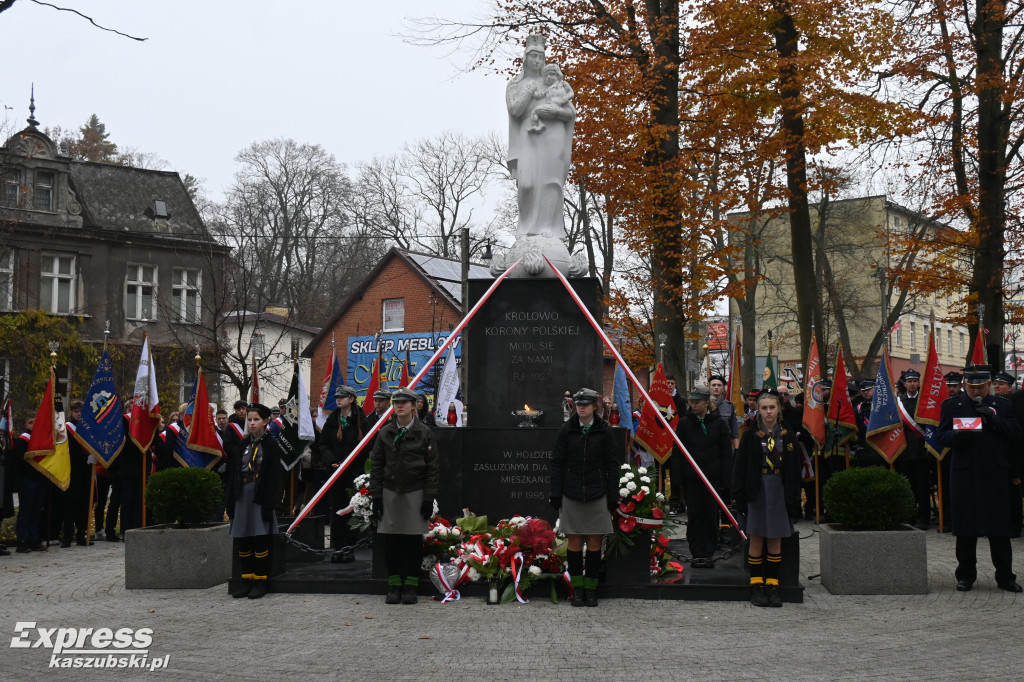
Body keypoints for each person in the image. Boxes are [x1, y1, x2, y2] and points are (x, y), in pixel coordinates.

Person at [937, 365, 1022, 592]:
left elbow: (1016, 433)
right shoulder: (952, 405)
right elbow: (941, 435)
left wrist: (994, 420)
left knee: (999, 528)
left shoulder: (1002, 406)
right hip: (966, 473)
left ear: (988, 385)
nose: (977, 392)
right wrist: (956, 434)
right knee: (966, 528)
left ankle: (1005, 577)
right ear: (965, 385)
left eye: (981, 387)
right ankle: (965, 575)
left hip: (994, 473)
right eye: (972, 387)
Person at [369, 387, 439, 605]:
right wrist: (376, 496)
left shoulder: (425, 433)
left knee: (412, 542)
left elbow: (432, 468)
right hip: (390, 491)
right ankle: (394, 585)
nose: (399, 406)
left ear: (414, 405)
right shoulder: (385, 433)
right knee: (391, 541)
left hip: (415, 491)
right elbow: (377, 465)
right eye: (396, 402)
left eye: (404, 402)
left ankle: (410, 585)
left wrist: (428, 498)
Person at [549, 387, 619, 607]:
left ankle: (591, 589)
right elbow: (557, 463)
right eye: (579, 404)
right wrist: (555, 493)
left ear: (595, 406)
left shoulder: (604, 431)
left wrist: (612, 496)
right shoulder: (566, 430)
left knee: (595, 544)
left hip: (597, 493)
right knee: (575, 543)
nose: (582, 407)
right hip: (572, 493)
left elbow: (612, 465)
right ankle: (577, 589)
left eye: (586, 404)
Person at [732, 388, 800, 607]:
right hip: (757, 489)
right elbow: (740, 467)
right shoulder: (751, 435)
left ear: (779, 408)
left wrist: (795, 499)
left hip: (778, 489)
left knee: (775, 538)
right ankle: (756, 585)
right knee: (757, 537)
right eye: (764, 408)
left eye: (772, 407)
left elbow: (795, 468)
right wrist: (739, 497)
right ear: (758, 410)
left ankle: (772, 585)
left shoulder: (787, 435)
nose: (768, 412)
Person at [506, 34, 575, 240]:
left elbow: (570, 112)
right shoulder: (515, 84)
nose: (537, 61)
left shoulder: (551, 81)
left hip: (553, 134)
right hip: (528, 134)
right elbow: (515, 111)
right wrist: (528, 90)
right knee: (527, 184)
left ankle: (548, 229)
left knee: (551, 181)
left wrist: (555, 113)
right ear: (525, 58)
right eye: (533, 56)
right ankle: (526, 230)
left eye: (540, 57)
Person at [226, 403, 284, 600]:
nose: (252, 423)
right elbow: (234, 473)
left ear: (265, 421)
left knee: (260, 540)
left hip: (260, 496)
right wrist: (231, 500)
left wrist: (271, 504)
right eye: (249, 420)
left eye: (256, 420)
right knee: (243, 540)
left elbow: (274, 478)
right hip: (243, 494)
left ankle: (261, 581)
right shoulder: (242, 445)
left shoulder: (271, 446)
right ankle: (246, 580)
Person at [676, 385, 732, 567]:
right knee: (694, 515)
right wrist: (678, 481)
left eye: (697, 402)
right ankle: (695, 551)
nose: (693, 405)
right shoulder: (684, 424)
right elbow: (678, 453)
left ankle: (708, 552)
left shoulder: (719, 423)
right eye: (691, 402)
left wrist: (725, 480)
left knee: (710, 514)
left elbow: (725, 452)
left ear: (707, 402)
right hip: (691, 478)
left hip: (712, 477)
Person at [316, 385, 368, 564]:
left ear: (351, 399)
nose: (338, 399)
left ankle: (350, 548)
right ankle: (337, 548)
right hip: (335, 472)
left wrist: (349, 462)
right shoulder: (332, 419)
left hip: (354, 473)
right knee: (337, 510)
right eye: (337, 397)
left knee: (352, 510)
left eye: (343, 397)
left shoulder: (362, 420)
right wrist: (332, 461)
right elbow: (323, 444)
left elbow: (366, 447)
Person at [897, 369, 932, 529]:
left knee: (922, 486)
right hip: (904, 452)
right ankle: (909, 516)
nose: (912, 384)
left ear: (918, 383)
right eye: (909, 381)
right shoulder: (899, 402)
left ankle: (924, 518)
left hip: (921, 451)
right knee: (908, 486)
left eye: (915, 381)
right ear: (904, 384)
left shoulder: (925, 401)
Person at [14, 414, 47, 553]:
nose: (34, 424)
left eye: (36, 422)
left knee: (36, 511)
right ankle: (22, 540)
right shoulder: (22, 440)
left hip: (41, 480)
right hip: (27, 480)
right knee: (26, 512)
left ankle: (34, 539)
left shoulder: (43, 440)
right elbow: (19, 461)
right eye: (31, 422)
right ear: (26, 425)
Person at [61, 401, 91, 547]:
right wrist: (85, 457)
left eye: (80, 411)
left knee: (83, 506)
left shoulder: (88, 427)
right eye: (76, 411)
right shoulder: (67, 428)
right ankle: (67, 536)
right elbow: (68, 450)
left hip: (86, 472)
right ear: (71, 413)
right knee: (69, 506)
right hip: (72, 471)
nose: (79, 414)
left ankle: (81, 535)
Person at [527, 63, 574, 133]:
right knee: (534, 112)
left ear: (558, 75)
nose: (549, 77)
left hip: (563, 110)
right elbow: (539, 95)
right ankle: (539, 125)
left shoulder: (563, 84)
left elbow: (571, 93)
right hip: (551, 107)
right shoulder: (548, 89)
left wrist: (565, 98)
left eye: (552, 74)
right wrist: (531, 90)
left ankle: (539, 125)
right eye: (546, 75)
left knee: (536, 111)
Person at [709, 375, 739, 450]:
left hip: (725, 446)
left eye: (719, 385)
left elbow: (735, 432)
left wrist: (736, 450)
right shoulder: (704, 405)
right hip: (708, 447)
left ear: (723, 389)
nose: (716, 387)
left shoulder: (730, 406)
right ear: (709, 387)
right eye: (713, 385)